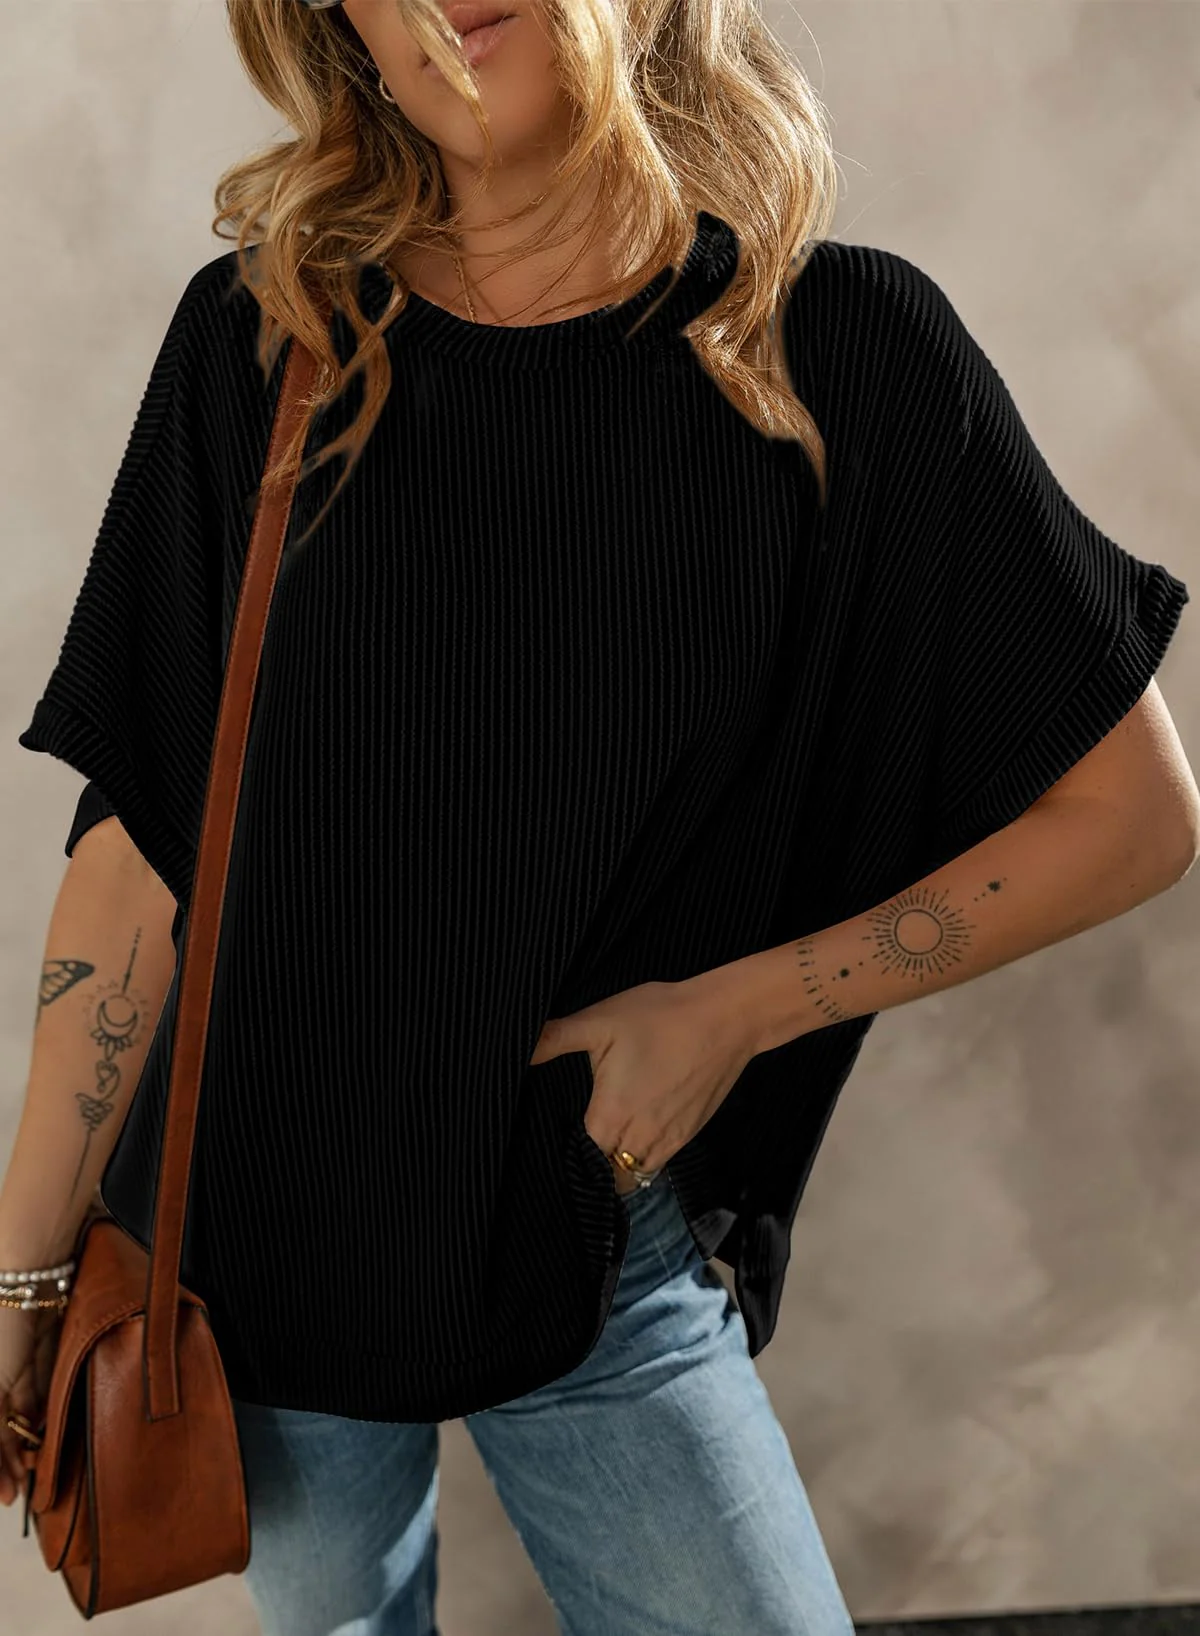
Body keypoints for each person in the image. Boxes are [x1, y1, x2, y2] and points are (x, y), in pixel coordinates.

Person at [2, 1, 1197, 1633]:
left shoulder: (837, 352)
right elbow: (141, 844)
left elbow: (1131, 817)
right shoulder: (271, 337)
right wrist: (25, 1271)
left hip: (589, 1231)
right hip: (255, 1253)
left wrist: (736, 1010)